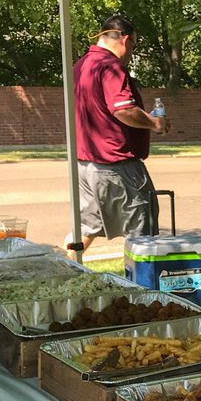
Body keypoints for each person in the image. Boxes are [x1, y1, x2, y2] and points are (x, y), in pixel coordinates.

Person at [69, 13, 167, 253]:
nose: (132, 52)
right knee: (143, 229)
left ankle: (63, 269)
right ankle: (140, 278)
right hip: (117, 165)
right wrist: (154, 123)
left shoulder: (81, 65)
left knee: (86, 228)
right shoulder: (111, 66)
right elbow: (123, 110)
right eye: (134, 46)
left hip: (85, 164)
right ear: (125, 39)